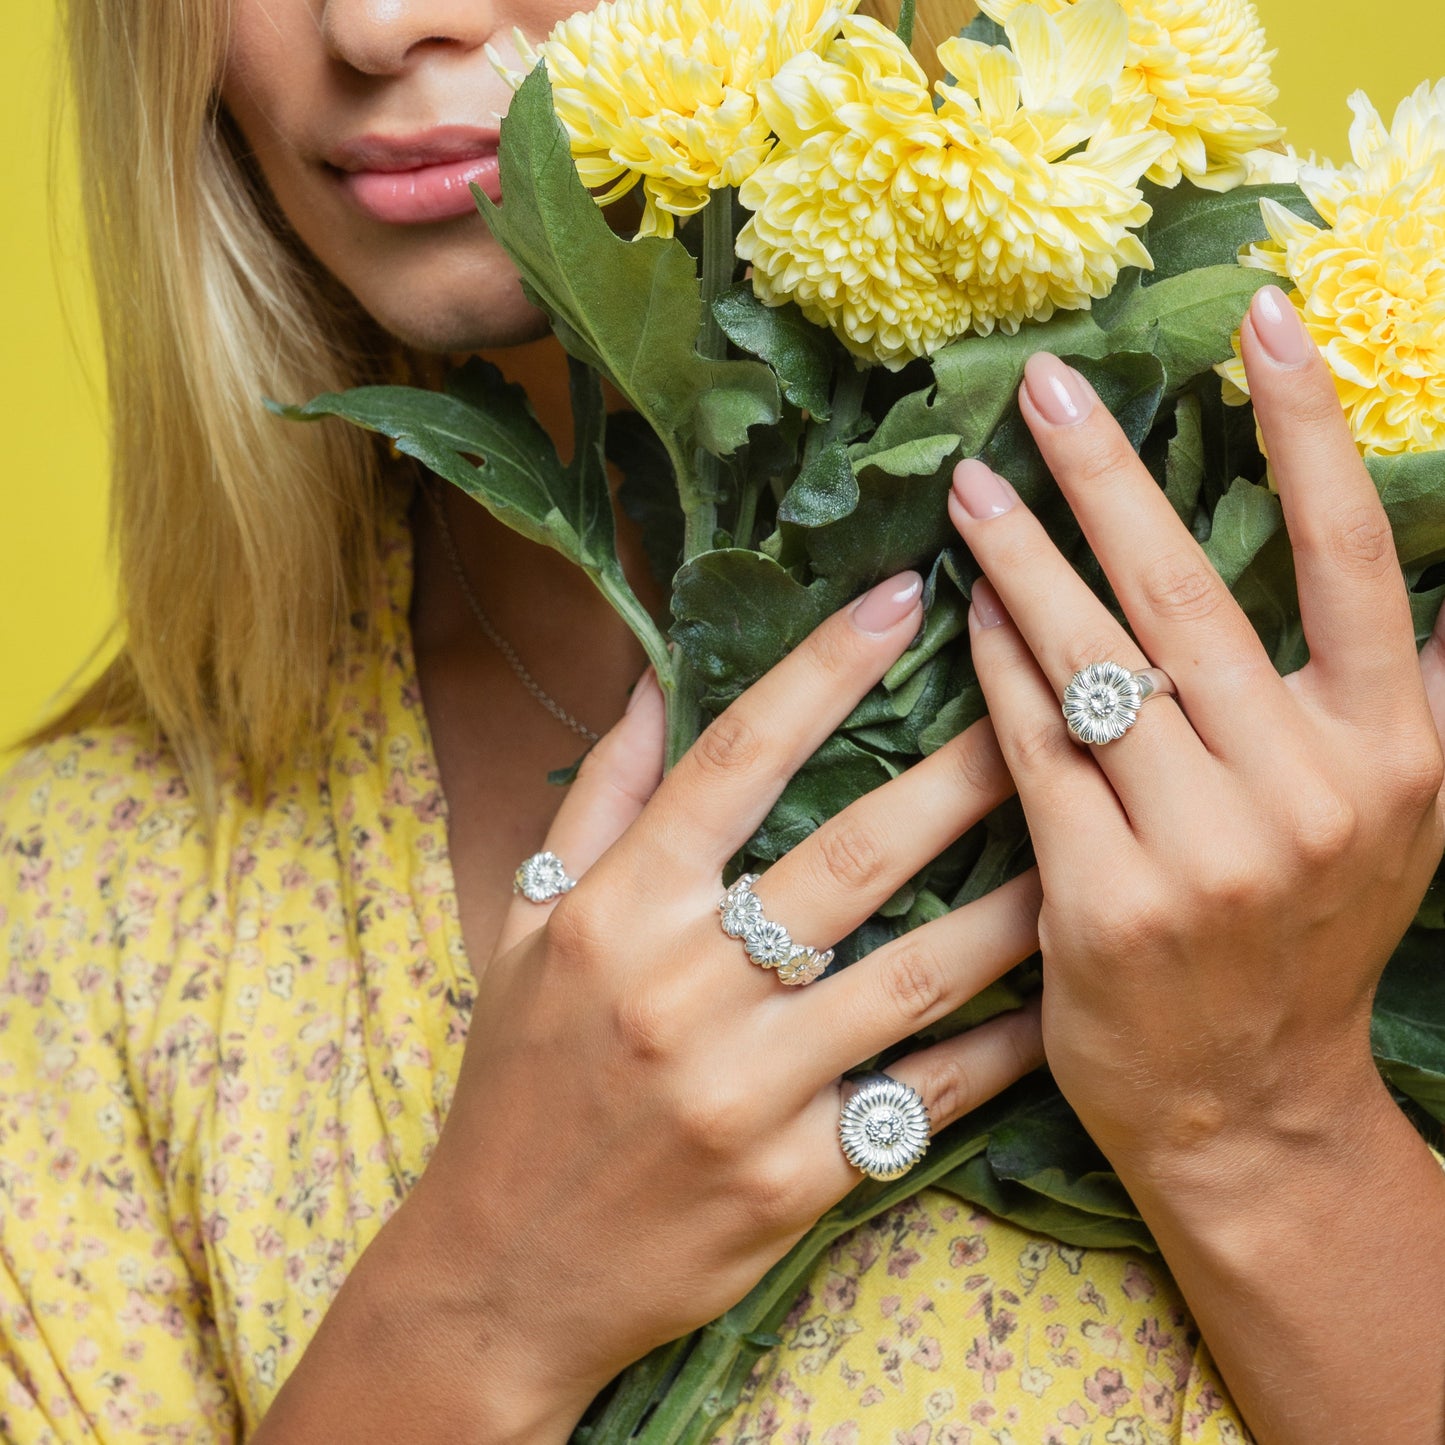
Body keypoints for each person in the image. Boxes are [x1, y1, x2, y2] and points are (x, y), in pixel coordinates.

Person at [2, 0, 1442, 1442]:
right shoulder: (78, 906)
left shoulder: (1350, 713)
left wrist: (1271, 1129)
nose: (381, 23)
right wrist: (473, 1307)